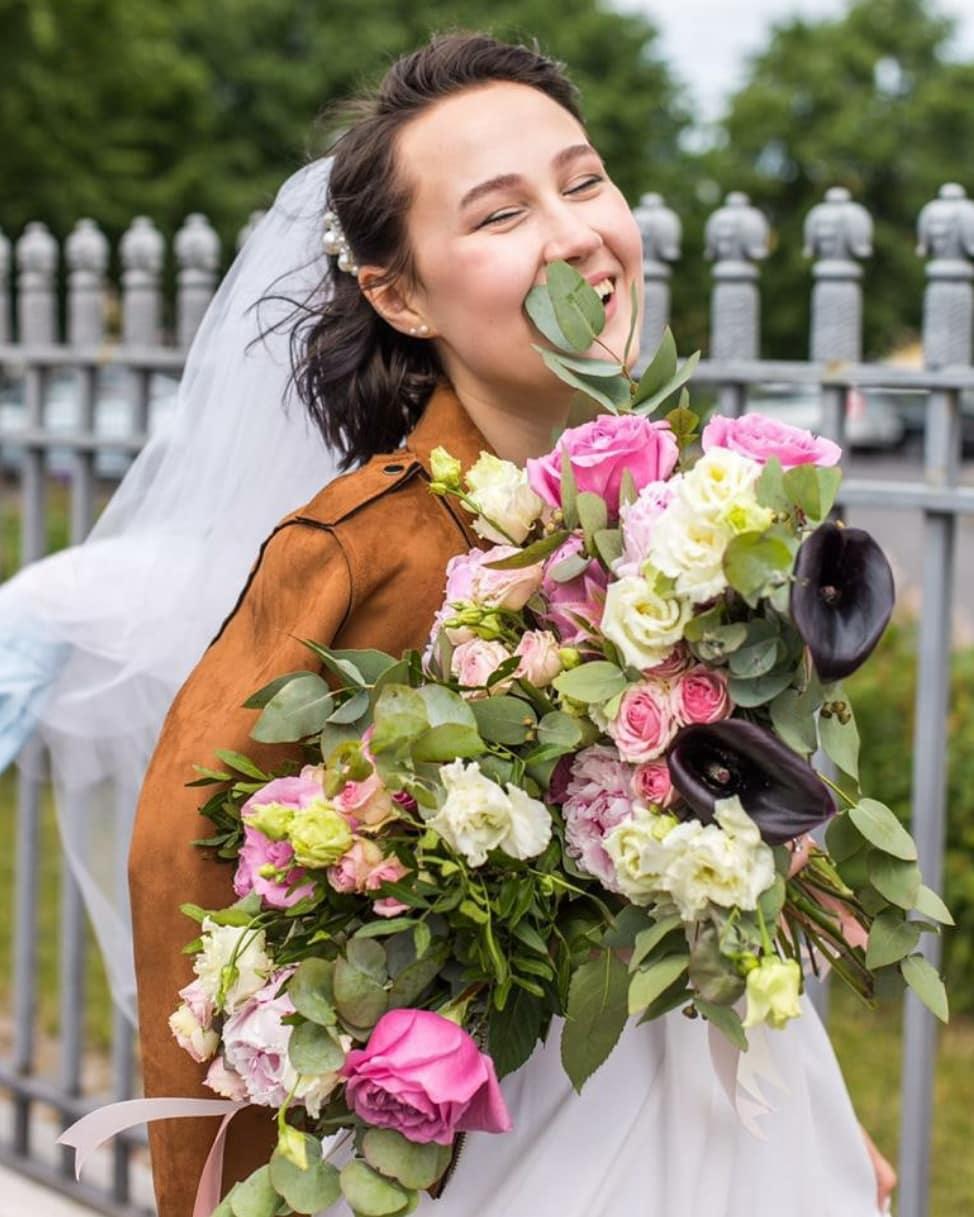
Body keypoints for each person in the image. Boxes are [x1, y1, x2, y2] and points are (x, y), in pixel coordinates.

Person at [128, 32, 896, 1217]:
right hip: (495, 1145)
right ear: (397, 291)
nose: (575, 235)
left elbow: (743, 835)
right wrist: (208, 1189)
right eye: (499, 215)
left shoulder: (695, 507)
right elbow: (181, 847)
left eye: (583, 181)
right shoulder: (359, 544)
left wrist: (816, 1114)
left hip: (731, 1109)